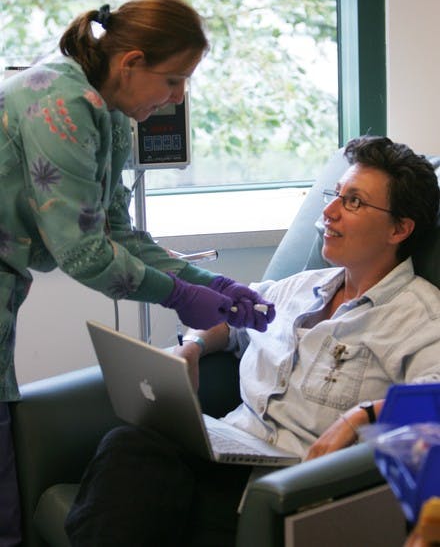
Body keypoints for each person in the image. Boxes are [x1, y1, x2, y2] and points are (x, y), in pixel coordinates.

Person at [65, 135, 440, 547]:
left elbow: (433, 397)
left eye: (353, 202)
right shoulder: (299, 287)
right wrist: (192, 346)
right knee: (130, 444)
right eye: (335, 195)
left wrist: (360, 416)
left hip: (295, 490)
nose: (329, 212)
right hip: (228, 456)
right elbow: (235, 321)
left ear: (400, 228)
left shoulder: (421, 316)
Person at [0, 0, 275, 546]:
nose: (178, 97)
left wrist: (208, 284)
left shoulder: (114, 119)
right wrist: (179, 298)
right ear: (131, 62)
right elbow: (84, 254)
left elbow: (119, 234)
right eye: (173, 80)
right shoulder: (60, 101)